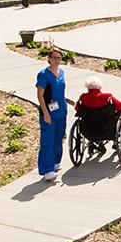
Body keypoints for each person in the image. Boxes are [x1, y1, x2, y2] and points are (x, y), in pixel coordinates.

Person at [35, 48, 67, 181]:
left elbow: (59, 91)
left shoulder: (62, 72)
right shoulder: (43, 74)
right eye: (54, 57)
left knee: (58, 137)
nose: (56, 60)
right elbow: (40, 95)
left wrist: (67, 100)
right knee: (47, 140)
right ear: (48, 58)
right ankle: (47, 170)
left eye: (59, 58)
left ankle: (55, 162)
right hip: (48, 113)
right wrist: (46, 113)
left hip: (61, 110)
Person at [76, 76, 121, 157]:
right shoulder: (107, 97)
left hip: (89, 130)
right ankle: (115, 143)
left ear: (87, 87)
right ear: (100, 86)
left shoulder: (83, 98)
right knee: (119, 116)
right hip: (108, 129)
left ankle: (97, 143)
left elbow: (78, 109)